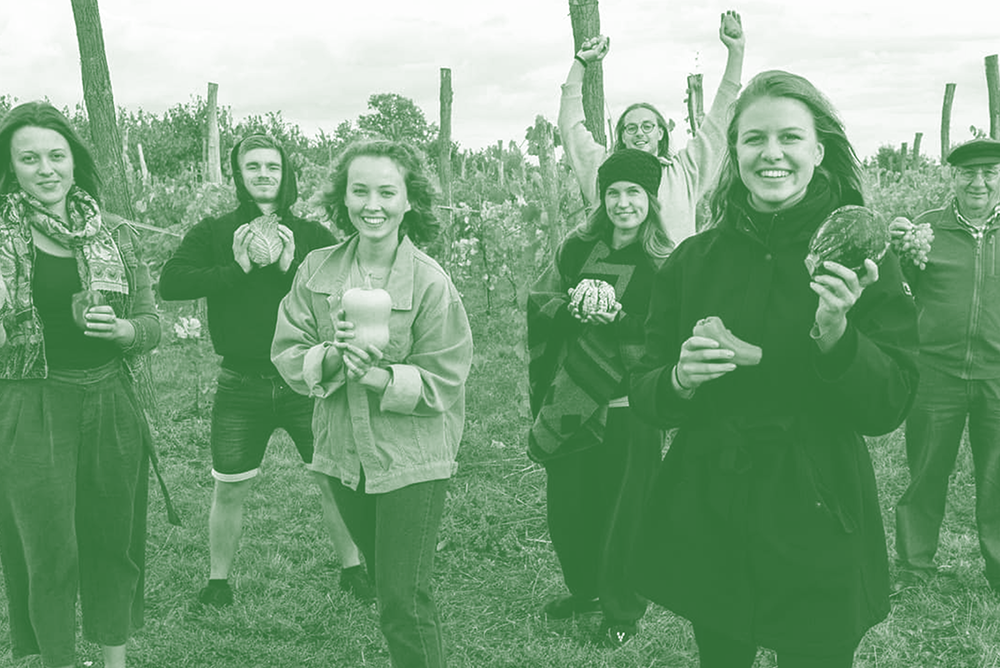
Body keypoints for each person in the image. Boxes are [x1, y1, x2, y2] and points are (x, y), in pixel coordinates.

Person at [628, 71, 920, 667]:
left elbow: (888, 405)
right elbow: (645, 392)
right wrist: (679, 378)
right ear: (734, 153)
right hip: (714, 501)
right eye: (754, 138)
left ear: (818, 150)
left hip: (819, 505)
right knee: (722, 654)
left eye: (790, 137)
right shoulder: (693, 261)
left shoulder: (861, 260)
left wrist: (839, 334)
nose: (772, 153)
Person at [271, 139, 473, 668]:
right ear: (343, 197)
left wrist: (381, 377)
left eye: (387, 191)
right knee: (389, 586)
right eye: (359, 191)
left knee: (403, 602)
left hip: (412, 460)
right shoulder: (317, 273)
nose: (372, 204)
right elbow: (288, 352)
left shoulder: (431, 283)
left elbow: (445, 380)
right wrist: (332, 357)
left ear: (410, 200)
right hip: (345, 457)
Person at [158, 134, 370, 607]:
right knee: (230, 485)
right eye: (252, 166)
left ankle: (353, 568)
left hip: (306, 379)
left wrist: (294, 268)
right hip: (240, 380)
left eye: (271, 166)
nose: (262, 175)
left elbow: (350, 283)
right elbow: (171, 282)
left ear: (284, 172)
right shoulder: (215, 232)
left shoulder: (312, 236)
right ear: (239, 173)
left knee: (331, 479)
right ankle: (218, 582)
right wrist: (237, 268)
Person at [0, 101, 162, 668]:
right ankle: (57, 661)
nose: (45, 169)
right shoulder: (2, 237)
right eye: (29, 158)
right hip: (31, 405)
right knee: (48, 550)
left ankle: (114, 660)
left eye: (55, 155)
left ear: (73, 162)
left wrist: (123, 330)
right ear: (11, 167)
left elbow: (151, 322)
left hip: (109, 401)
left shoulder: (112, 232)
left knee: (111, 540)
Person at [527, 148, 672, 647]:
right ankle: (584, 590)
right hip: (570, 397)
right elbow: (540, 301)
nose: (622, 202)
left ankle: (622, 611)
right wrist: (570, 311)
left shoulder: (662, 263)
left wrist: (620, 323)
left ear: (651, 200)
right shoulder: (576, 248)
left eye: (633, 192)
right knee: (569, 507)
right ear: (602, 197)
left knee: (623, 513)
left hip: (629, 408)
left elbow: (665, 336)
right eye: (613, 192)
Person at [893, 137, 1000, 594]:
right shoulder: (927, 228)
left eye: (989, 172)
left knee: (997, 479)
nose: (979, 182)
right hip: (936, 371)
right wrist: (894, 248)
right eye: (968, 173)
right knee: (926, 474)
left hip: (998, 376)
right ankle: (915, 568)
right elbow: (900, 288)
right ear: (953, 177)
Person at [559, 10, 745, 247]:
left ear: (661, 133)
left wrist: (736, 53)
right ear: (622, 137)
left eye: (647, 126)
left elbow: (718, 125)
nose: (639, 133)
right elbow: (570, 128)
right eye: (631, 128)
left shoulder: (684, 172)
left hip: (674, 281)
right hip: (617, 279)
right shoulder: (603, 171)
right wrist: (581, 62)